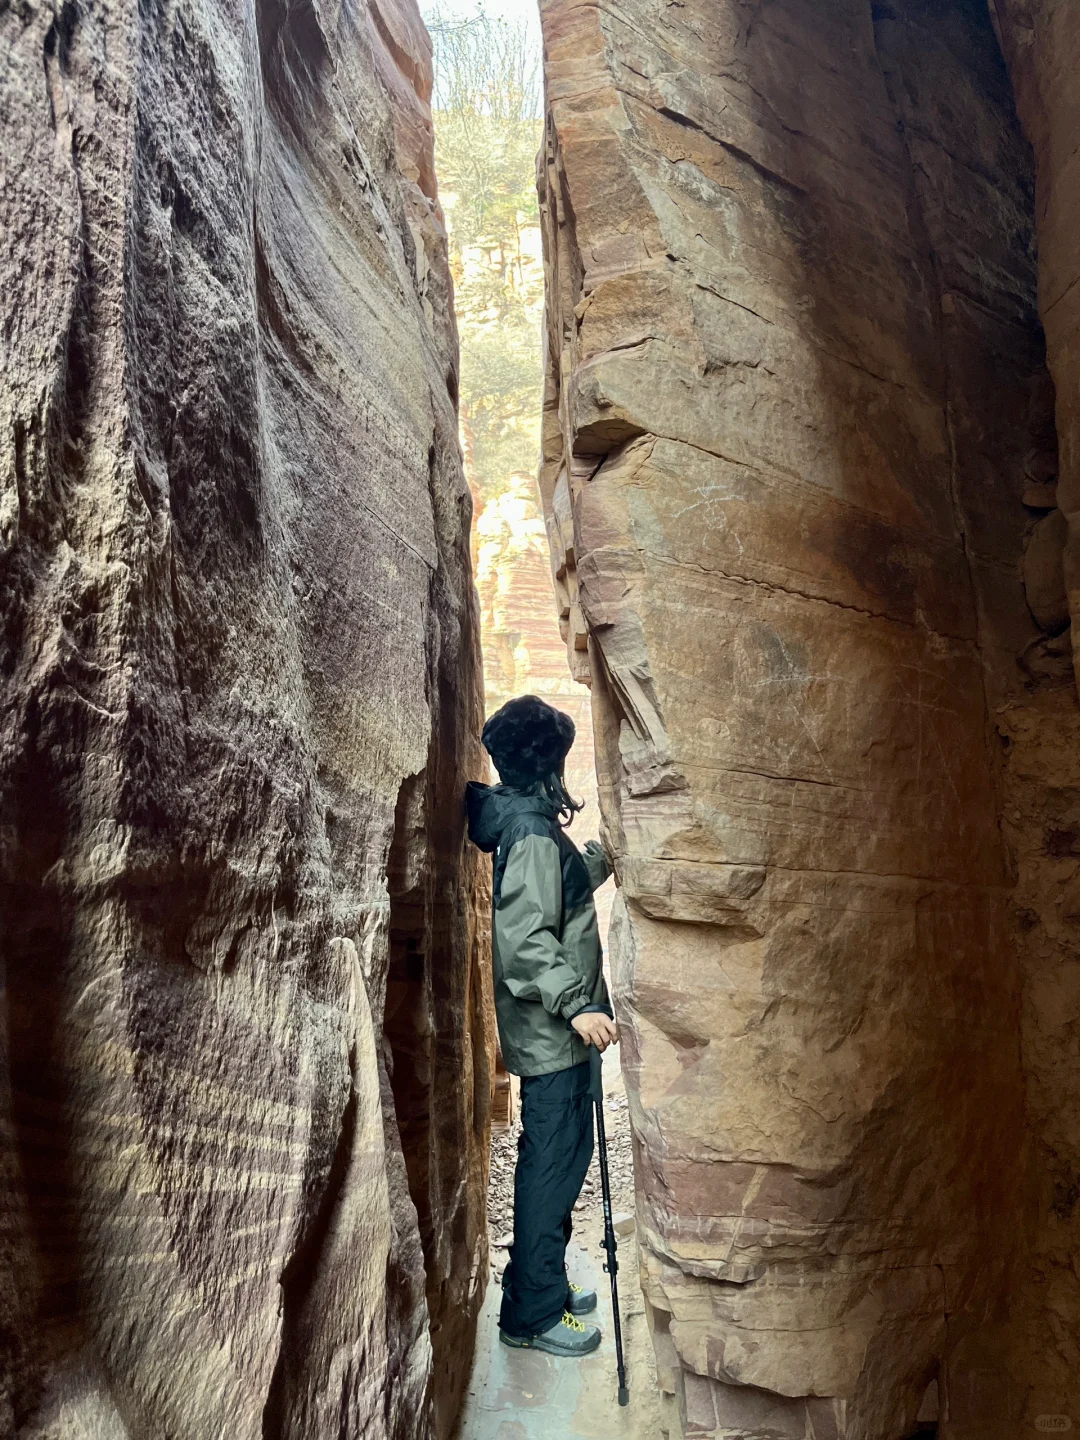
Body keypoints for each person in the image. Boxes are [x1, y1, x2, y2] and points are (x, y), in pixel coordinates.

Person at [466, 694, 617, 1358]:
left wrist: (604, 857)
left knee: (561, 1160)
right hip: (555, 1032)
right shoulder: (529, 830)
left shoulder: (530, 823)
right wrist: (577, 1004)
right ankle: (531, 1315)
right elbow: (526, 936)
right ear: (545, 761)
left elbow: (560, 889)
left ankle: (543, 1283)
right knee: (551, 1167)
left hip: (557, 1032)